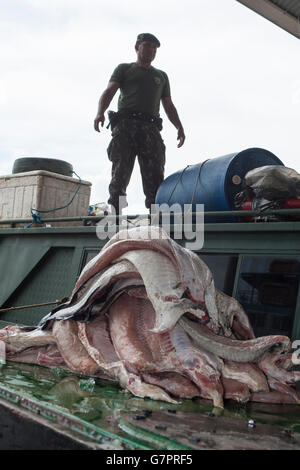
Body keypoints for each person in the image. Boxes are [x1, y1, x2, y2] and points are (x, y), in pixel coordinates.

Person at [94, 33, 185, 214]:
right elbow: (110, 91)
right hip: (126, 126)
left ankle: (157, 223)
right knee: (120, 175)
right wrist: (100, 112)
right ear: (137, 47)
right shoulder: (124, 69)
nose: (151, 50)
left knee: (155, 178)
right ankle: (114, 218)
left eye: (155, 48)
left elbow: (168, 104)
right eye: (148, 45)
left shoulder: (161, 76)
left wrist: (179, 126)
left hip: (150, 130)